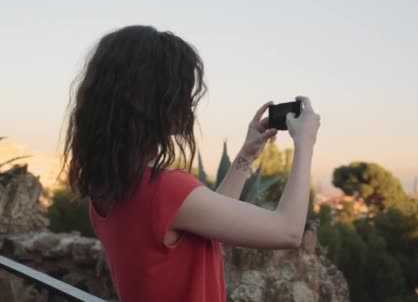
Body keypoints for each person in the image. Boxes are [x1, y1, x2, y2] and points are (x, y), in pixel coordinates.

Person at [62, 25, 321, 302]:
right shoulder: (165, 189)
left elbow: (210, 220)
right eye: (180, 91)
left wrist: (246, 156)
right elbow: (289, 231)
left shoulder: (108, 187)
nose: (188, 103)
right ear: (150, 99)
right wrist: (305, 143)